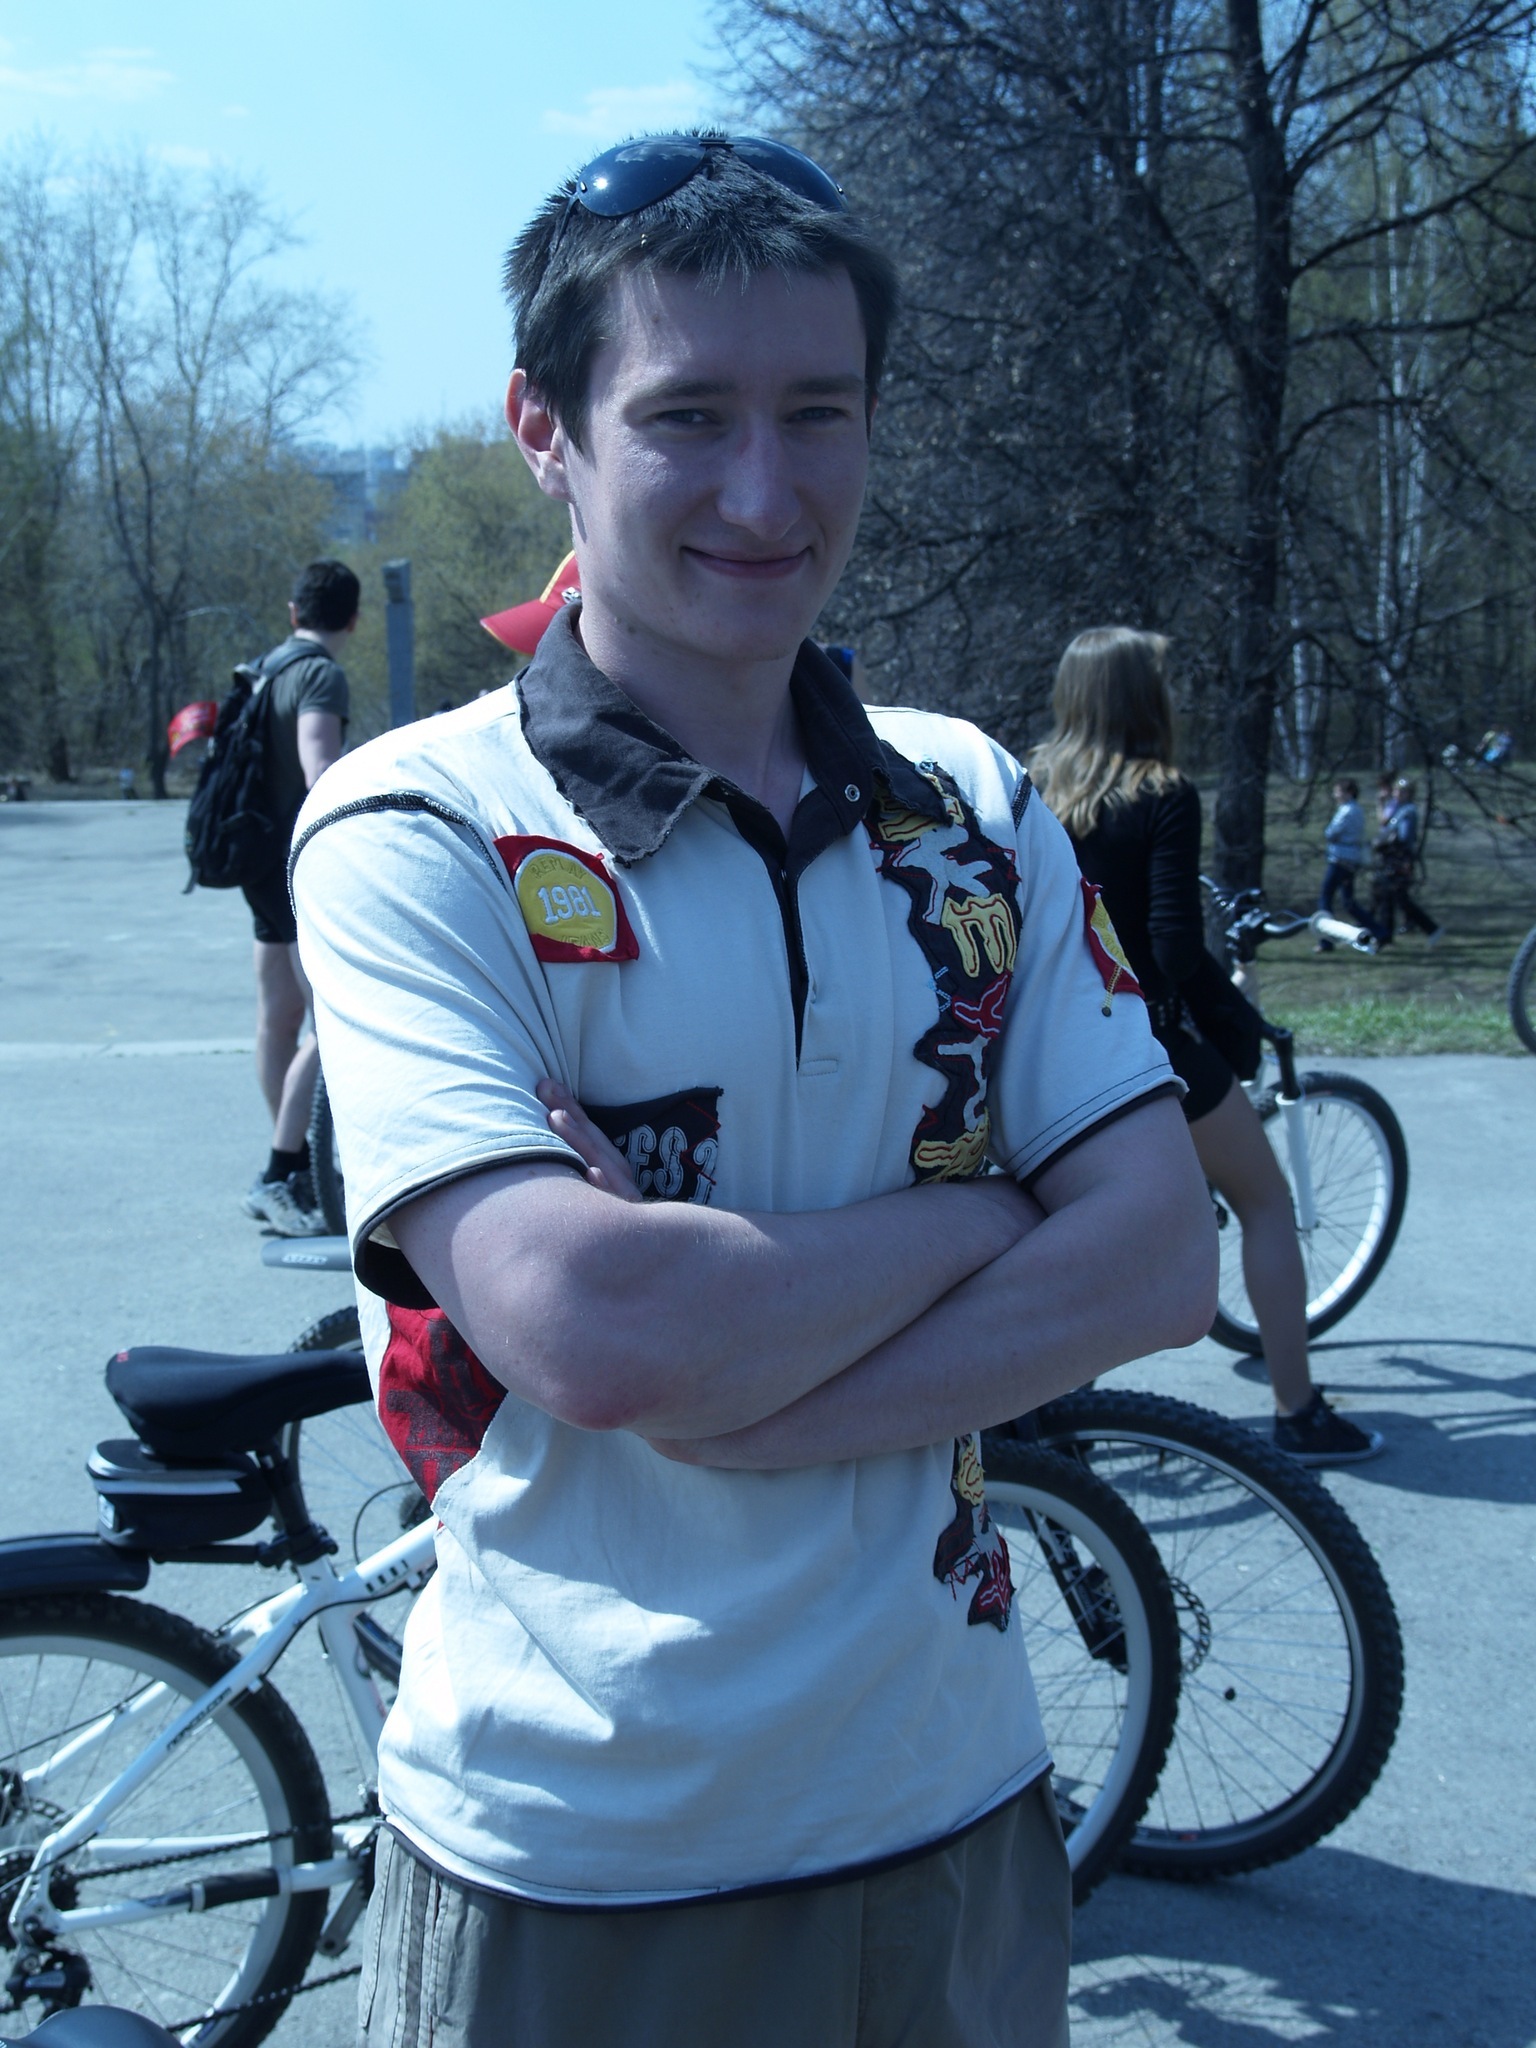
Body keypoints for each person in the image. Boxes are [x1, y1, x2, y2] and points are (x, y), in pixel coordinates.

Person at [292, 134, 1215, 2048]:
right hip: (579, 1850)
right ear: (543, 427)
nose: (764, 491)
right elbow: (600, 1327)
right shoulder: (418, 824)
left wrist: (748, 1377)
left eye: (818, 412)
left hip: (958, 1807)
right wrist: (990, 1204)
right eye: (687, 416)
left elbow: (1157, 1255)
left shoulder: (971, 801)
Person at [1031, 626, 1385, 1467]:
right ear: (1141, 697)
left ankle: (1050, 1422)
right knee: (1266, 1203)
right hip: (1141, 1047)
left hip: (1046, 1050)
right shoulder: (1163, 792)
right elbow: (1174, 947)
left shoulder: (1031, 786)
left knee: (1076, 1236)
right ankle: (1299, 1413)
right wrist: (1230, 1019)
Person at [240, 558, 357, 1235]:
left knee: (277, 1017)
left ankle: (296, 1165)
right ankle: (283, 1171)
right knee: (327, 1022)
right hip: (293, 863)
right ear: (353, 619)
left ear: (293, 613)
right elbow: (321, 769)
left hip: (253, 859)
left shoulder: (264, 667)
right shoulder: (319, 675)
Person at [1369, 774, 1442, 948]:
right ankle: (1385, 935)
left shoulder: (1409, 811)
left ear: (1410, 794)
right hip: (1391, 858)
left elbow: (1403, 837)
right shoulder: (1398, 809)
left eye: (1403, 792)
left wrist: (1389, 843)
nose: (1398, 794)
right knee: (1387, 896)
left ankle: (1431, 929)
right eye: (1397, 790)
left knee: (1400, 898)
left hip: (1399, 858)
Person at [1314, 777, 1368, 950]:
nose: (1335, 795)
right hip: (1351, 858)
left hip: (1340, 859)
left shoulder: (1347, 811)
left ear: (1349, 793)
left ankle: (1326, 940)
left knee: (1325, 898)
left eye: (1338, 792)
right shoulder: (1357, 810)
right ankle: (1379, 931)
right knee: (1348, 902)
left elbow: (1331, 833)